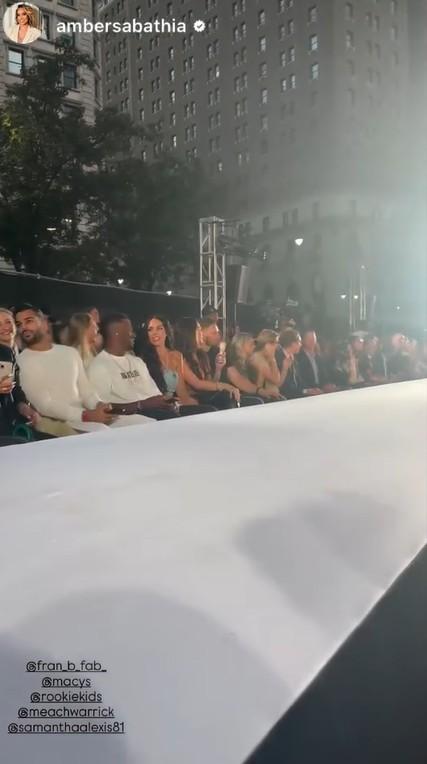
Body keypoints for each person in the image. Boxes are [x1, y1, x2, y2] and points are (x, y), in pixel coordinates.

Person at [15, 304, 151, 436]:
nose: (24, 328)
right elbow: (44, 405)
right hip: (56, 424)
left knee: (145, 423)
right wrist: (86, 415)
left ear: (44, 323)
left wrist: (99, 405)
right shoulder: (22, 361)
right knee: (103, 433)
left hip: (85, 418)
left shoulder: (69, 353)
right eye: (19, 324)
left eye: (29, 321)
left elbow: (87, 392)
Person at [88, 313, 179, 420]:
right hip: (129, 419)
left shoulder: (137, 362)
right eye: (129, 331)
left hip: (154, 413)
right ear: (116, 334)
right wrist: (142, 405)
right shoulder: (99, 366)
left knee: (191, 413)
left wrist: (166, 402)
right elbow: (103, 408)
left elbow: (155, 395)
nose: (133, 335)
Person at [134, 315, 216, 415]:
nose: (155, 333)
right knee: (209, 410)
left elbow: (182, 393)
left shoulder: (176, 355)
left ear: (166, 331)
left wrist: (192, 402)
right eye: (150, 329)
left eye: (159, 328)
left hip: (176, 404)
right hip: (158, 408)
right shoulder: (142, 360)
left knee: (211, 408)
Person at [174, 317, 240, 409]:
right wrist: (225, 386)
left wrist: (218, 369)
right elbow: (197, 384)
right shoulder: (179, 357)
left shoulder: (201, 355)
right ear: (189, 333)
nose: (201, 333)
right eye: (198, 330)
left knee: (228, 396)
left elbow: (210, 384)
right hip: (191, 401)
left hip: (205, 397)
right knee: (225, 398)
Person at [0, 307, 40, 442]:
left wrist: (22, 405)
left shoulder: (11, 353)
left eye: (8, 322)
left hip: (12, 425)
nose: (5, 327)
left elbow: (14, 388)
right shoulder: (5, 352)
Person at [225, 333, 271, 405]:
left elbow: (258, 385)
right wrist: (260, 391)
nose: (254, 346)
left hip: (253, 394)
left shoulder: (250, 363)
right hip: (238, 398)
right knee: (259, 401)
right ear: (241, 346)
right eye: (251, 344)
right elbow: (245, 385)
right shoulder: (231, 365)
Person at [249, 330, 285, 399]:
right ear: (266, 343)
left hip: (270, 395)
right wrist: (273, 360)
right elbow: (276, 380)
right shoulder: (258, 359)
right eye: (274, 343)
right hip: (263, 397)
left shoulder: (263, 357)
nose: (276, 346)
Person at [275, 328, 309, 399]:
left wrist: (308, 390)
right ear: (292, 343)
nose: (301, 345)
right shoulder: (277, 358)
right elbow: (283, 386)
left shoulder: (293, 358)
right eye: (299, 342)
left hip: (296, 395)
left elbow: (298, 380)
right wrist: (304, 392)